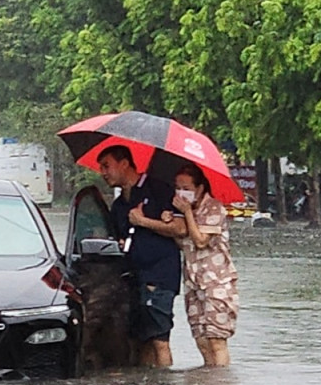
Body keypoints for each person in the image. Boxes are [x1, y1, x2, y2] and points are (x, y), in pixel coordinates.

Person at [97, 145, 186, 368]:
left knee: (159, 339)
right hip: (131, 280)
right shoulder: (118, 206)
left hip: (159, 275)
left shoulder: (159, 190)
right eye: (101, 167)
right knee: (139, 340)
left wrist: (143, 221)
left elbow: (180, 228)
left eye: (107, 166)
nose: (103, 172)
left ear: (124, 163)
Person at [168, 162, 238, 366]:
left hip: (217, 283)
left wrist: (187, 212)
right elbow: (182, 242)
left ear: (199, 188)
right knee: (201, 340)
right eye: (178, 188)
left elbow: (200, 240)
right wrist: (170, 222)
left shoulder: (213, 208)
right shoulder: (179, 212)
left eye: (187, 189)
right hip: (193, 282)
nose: (181, 193)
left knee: (216, 339)